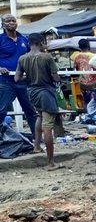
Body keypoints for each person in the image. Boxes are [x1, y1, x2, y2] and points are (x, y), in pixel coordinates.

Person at [14, 33, 63, 170]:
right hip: (46, 92)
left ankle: (36, 146)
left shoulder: (22, 58)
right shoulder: (47, 57)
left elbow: (17, 79)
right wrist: (57, 77)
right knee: (48, 127)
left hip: (31, 92)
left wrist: (29, 77)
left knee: (40, 116)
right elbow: (55, 77)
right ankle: (50, 162)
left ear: (29, 43)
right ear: (41, 43)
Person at [0, 13, 35, 132]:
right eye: (7, 21)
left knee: (31, 111)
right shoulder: (0, 40)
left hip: (23, 81)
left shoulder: (24, 39)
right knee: (1, 111)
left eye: (13, 20)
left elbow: (32, 55)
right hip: (6, 82)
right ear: (3, 24)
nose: (11, 23)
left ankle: (37, 140)